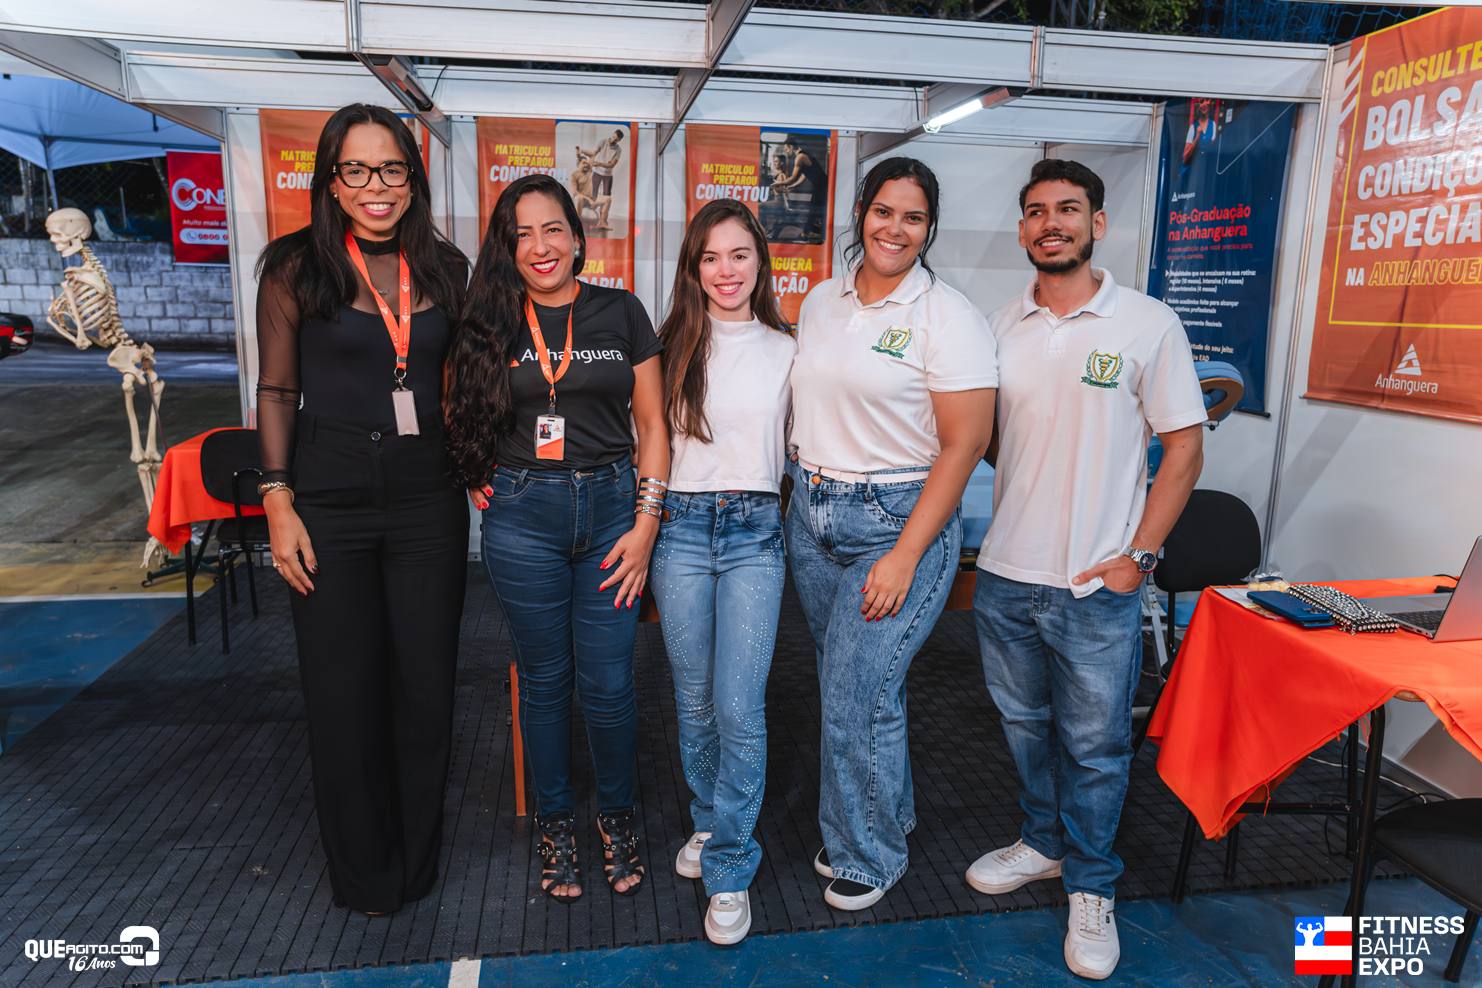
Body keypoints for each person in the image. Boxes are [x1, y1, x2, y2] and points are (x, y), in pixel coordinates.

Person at [967, 158, 1205, 981]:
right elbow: (987, 439)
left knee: (1097, 747)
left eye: (1068, 209)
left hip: (1097, 585)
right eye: (1036, 212)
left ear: (1097, 223)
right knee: (1025, 729)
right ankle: (1043, 843)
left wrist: (1139, 556)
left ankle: (1093, 886)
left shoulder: (1147, 324)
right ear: (1022, 229)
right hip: (1005, 575)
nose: (1051, 224)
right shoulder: (997, 327)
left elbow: (1184, 449)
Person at [254, 103, 470, 916]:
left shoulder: (446, 268)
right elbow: (278, 389)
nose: (376, 186)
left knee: (425, 687)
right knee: (343, 690)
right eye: (357, 169)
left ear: (412, 178)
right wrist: (279, 500)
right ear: (332, 181)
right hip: (328, 495)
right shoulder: (294, 267)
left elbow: (471, 380)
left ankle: (416, 862)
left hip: (427, 497)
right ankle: (365, 875)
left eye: (391, 168)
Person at [444, 173, 667, 903]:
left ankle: (617, 817)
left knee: (610, 684)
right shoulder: (488, 320)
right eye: (522, 234)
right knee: (544, 683)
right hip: (523, 518)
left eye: (552, 229)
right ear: (506, 248)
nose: (539, 247)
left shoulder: (621, 311)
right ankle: (555, 823)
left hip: (612, 513)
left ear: (577, 237)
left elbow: (654, 426)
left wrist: (646, 524)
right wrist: (473, 470)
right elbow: (455, 404)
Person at [787, 157, 997, 911]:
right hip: (811, 513)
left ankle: (868, 853)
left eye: (913, 217)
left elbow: (966, 444)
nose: (895, 229)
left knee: (855, 695)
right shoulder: (822, 300)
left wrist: (907, 554)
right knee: (859, 684)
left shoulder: (949, 317)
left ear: (929, 228)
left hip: (897, 521)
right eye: (883, 211)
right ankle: (882, 813)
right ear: (861, 214)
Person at [649, 199, 796, 945]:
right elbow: (644, 444)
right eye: (711, 257)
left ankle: (731, 863)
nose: (726, 270)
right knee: (696, 702)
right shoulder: (667, 346)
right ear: (694, 268)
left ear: (761, 261)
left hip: (754, 533)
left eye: (739, 254)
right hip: (678, 529)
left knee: (740, 707)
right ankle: (710, 820)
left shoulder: (789, 351)